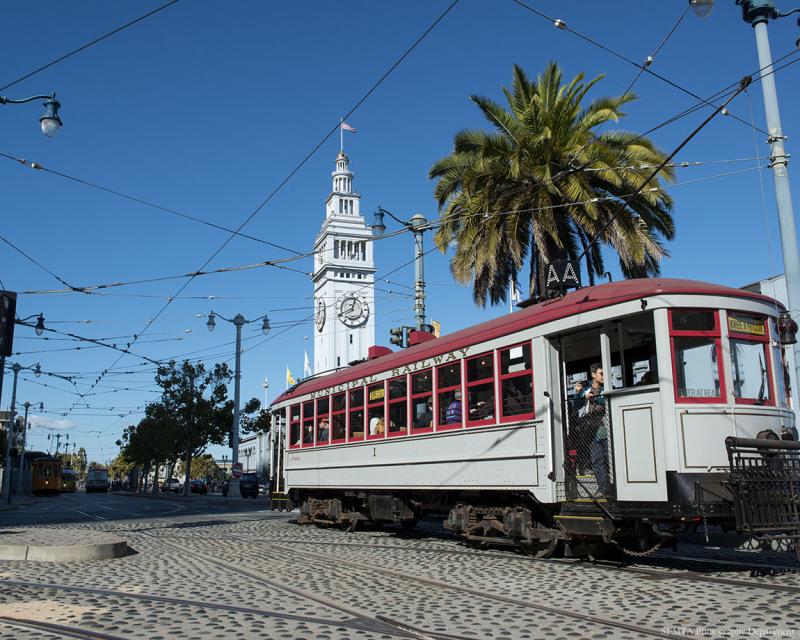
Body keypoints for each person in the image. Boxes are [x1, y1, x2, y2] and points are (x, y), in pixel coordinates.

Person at [585, 363, 609, 494]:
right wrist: (579, 394)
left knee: (608, 458)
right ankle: (603, 488)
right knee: (596, 460)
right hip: (591, 430)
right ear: (593, 375)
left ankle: (611, 486)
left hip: (604, 429)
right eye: (601, 374)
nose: (604, 376)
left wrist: (593, 398)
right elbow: (576, 404)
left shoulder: (607, 388)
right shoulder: (586, 389)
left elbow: (604, 402)